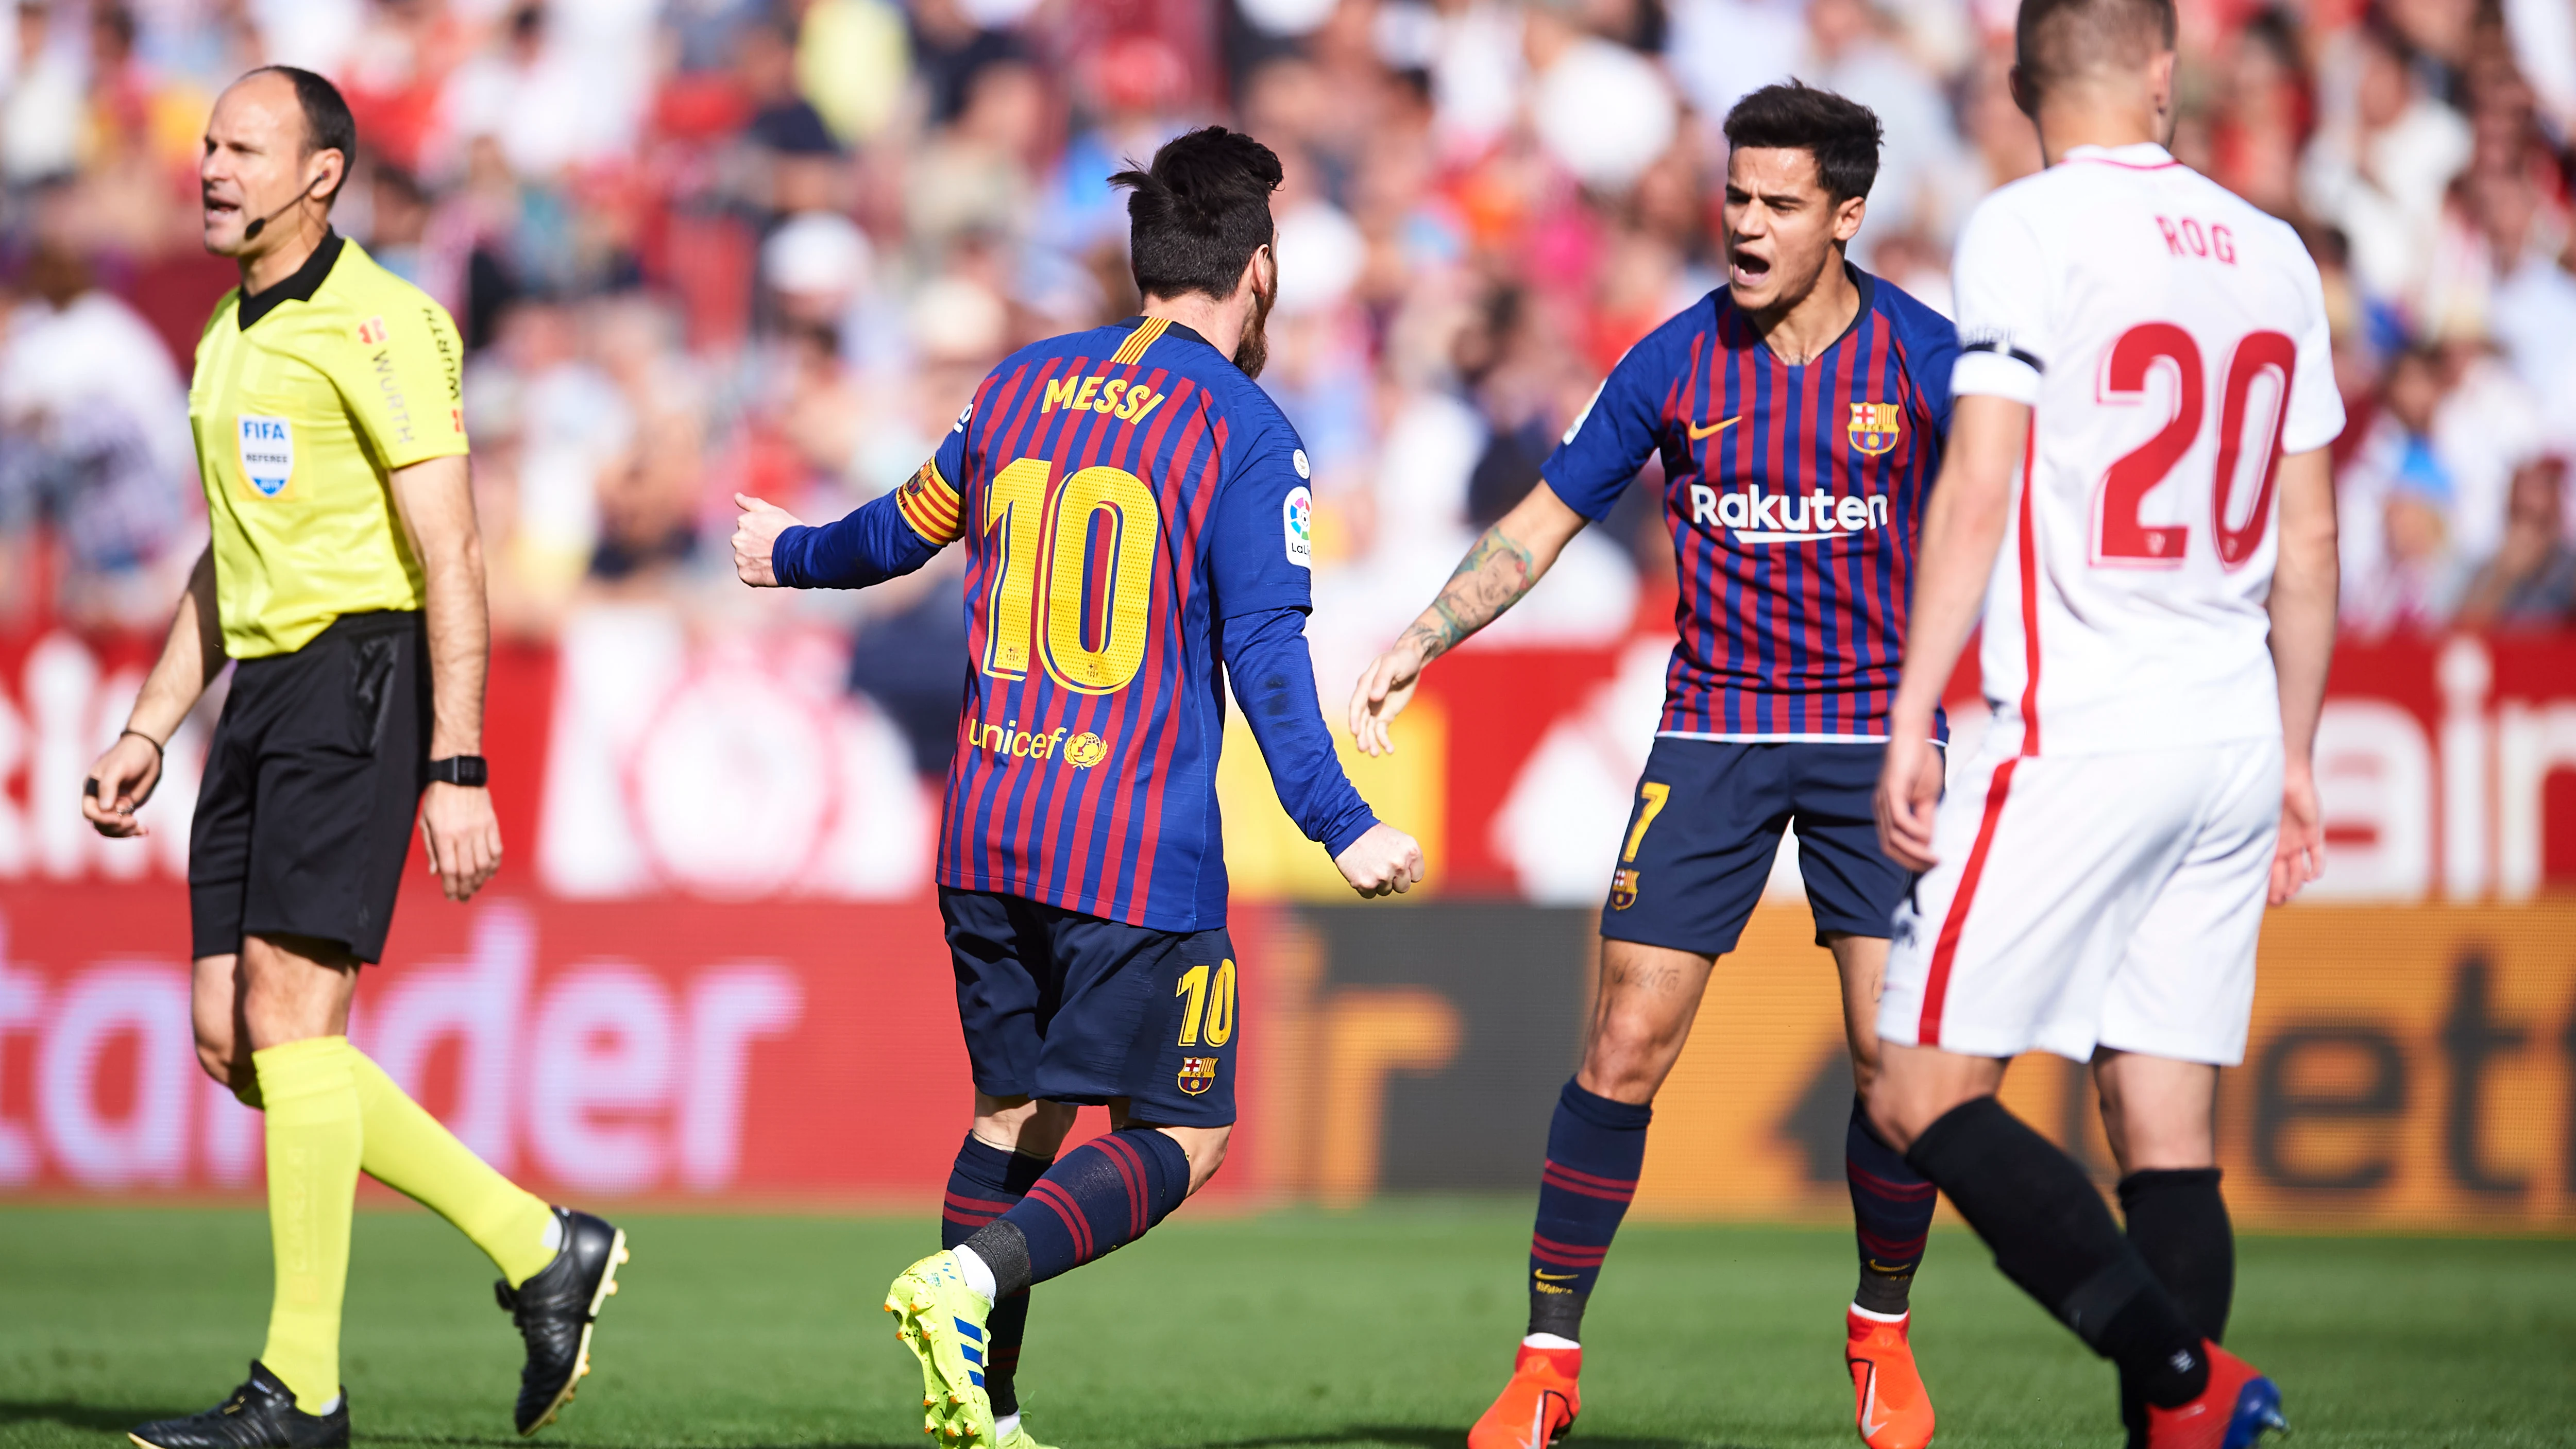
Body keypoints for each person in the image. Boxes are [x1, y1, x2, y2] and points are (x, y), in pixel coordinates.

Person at [731, 126, 1424, 1449]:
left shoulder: (1019, 383)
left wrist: (792, 554)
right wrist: (1341, 821)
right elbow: (1266, 655)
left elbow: (902, 527)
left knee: (1016, 1113)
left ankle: (980, 1416)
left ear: (1142, 256)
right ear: (1260, 271)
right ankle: (971, 1279)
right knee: (1190, 1129)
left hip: (989, 822)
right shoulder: (1248, 432)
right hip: (1129, 845)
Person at [1348, 82, 1958, 1449]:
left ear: (1847, 217)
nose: (1745, 224)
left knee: (1888, 1063)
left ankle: (1881, 1331)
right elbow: (1545, 520)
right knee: (1625, 1040)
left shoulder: (1927, 361)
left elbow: (2003, 533)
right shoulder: (1673, 361)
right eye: (1734, 196)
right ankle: (1547, 1362)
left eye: (1779, 203)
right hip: (1716, 732)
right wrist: (1424, 634)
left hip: (1875, 737)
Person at [82, 67, 628, 1449]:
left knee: (287, 1012)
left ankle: (300, 1392)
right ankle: (536, 1240)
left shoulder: (386, 322)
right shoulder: (225, 336)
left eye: (244, 148)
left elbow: (452, 550)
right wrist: (152, 720)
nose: (210, 167)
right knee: (234, 1036)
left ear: (321, 174)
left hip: (360, 673)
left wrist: (459, 763)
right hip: (258, 690)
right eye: (207, 144)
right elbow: (228, 556)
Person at [1862, 0, 2342, 1441]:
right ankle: (2190, 1412)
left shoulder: (2027, 228)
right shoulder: (2276, 251)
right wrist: (2303, 753)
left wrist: (1912, 707)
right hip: (2236, 731)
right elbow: (2310, 544)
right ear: (2161, 71)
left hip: (2083, 721)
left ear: (2018, 88)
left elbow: (1981, 478)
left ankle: (2192, 1382)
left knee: (1919, 1089)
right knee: (2168, 1141)